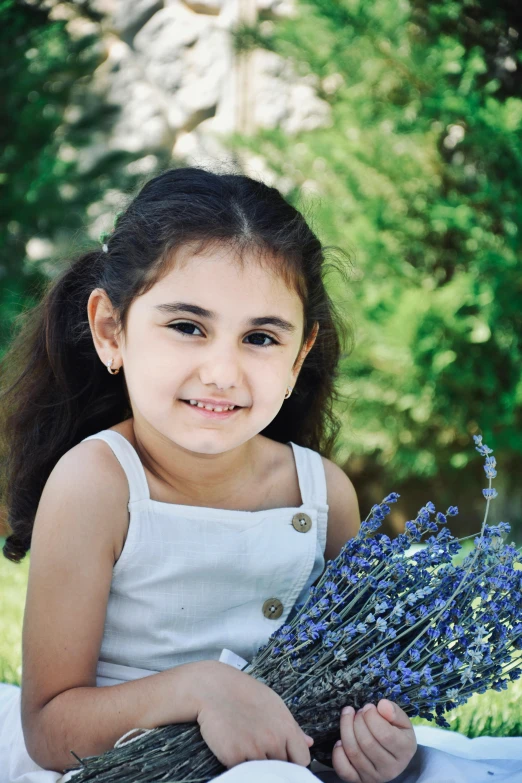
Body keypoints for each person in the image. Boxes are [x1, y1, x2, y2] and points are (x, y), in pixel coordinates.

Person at [0, 166, 520, 783]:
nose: (223, 372)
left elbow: (351, 682)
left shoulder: (322, 491)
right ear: (112, 330)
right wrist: (202, 690)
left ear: (300, 356)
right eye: (188, 327)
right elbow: (49, 728)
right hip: (121, 769)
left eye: (261, 338)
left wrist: (374, 744)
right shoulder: (98, 484)